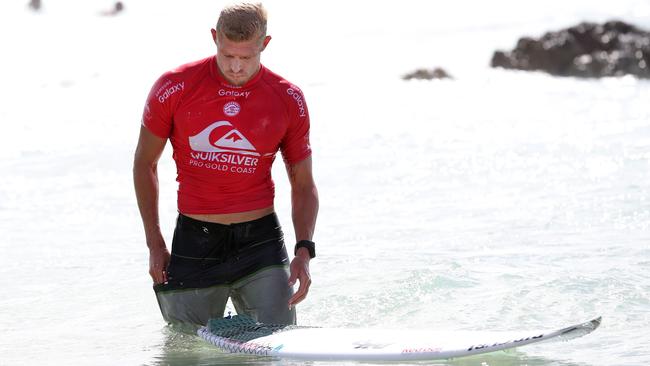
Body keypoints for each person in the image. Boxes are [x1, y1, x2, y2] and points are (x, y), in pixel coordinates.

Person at [133, 2, 318, 327]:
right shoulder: (174, 88)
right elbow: (144, 164)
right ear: (214, 38)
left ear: (265, 44)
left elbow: (302, 183)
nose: (235, 67)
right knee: (186, 351)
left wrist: (303, 250)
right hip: (195, 239)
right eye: (227, 55)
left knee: (279, 343)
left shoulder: (287, 98)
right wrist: (155, 243)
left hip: (260, 240)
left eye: (246, 58)